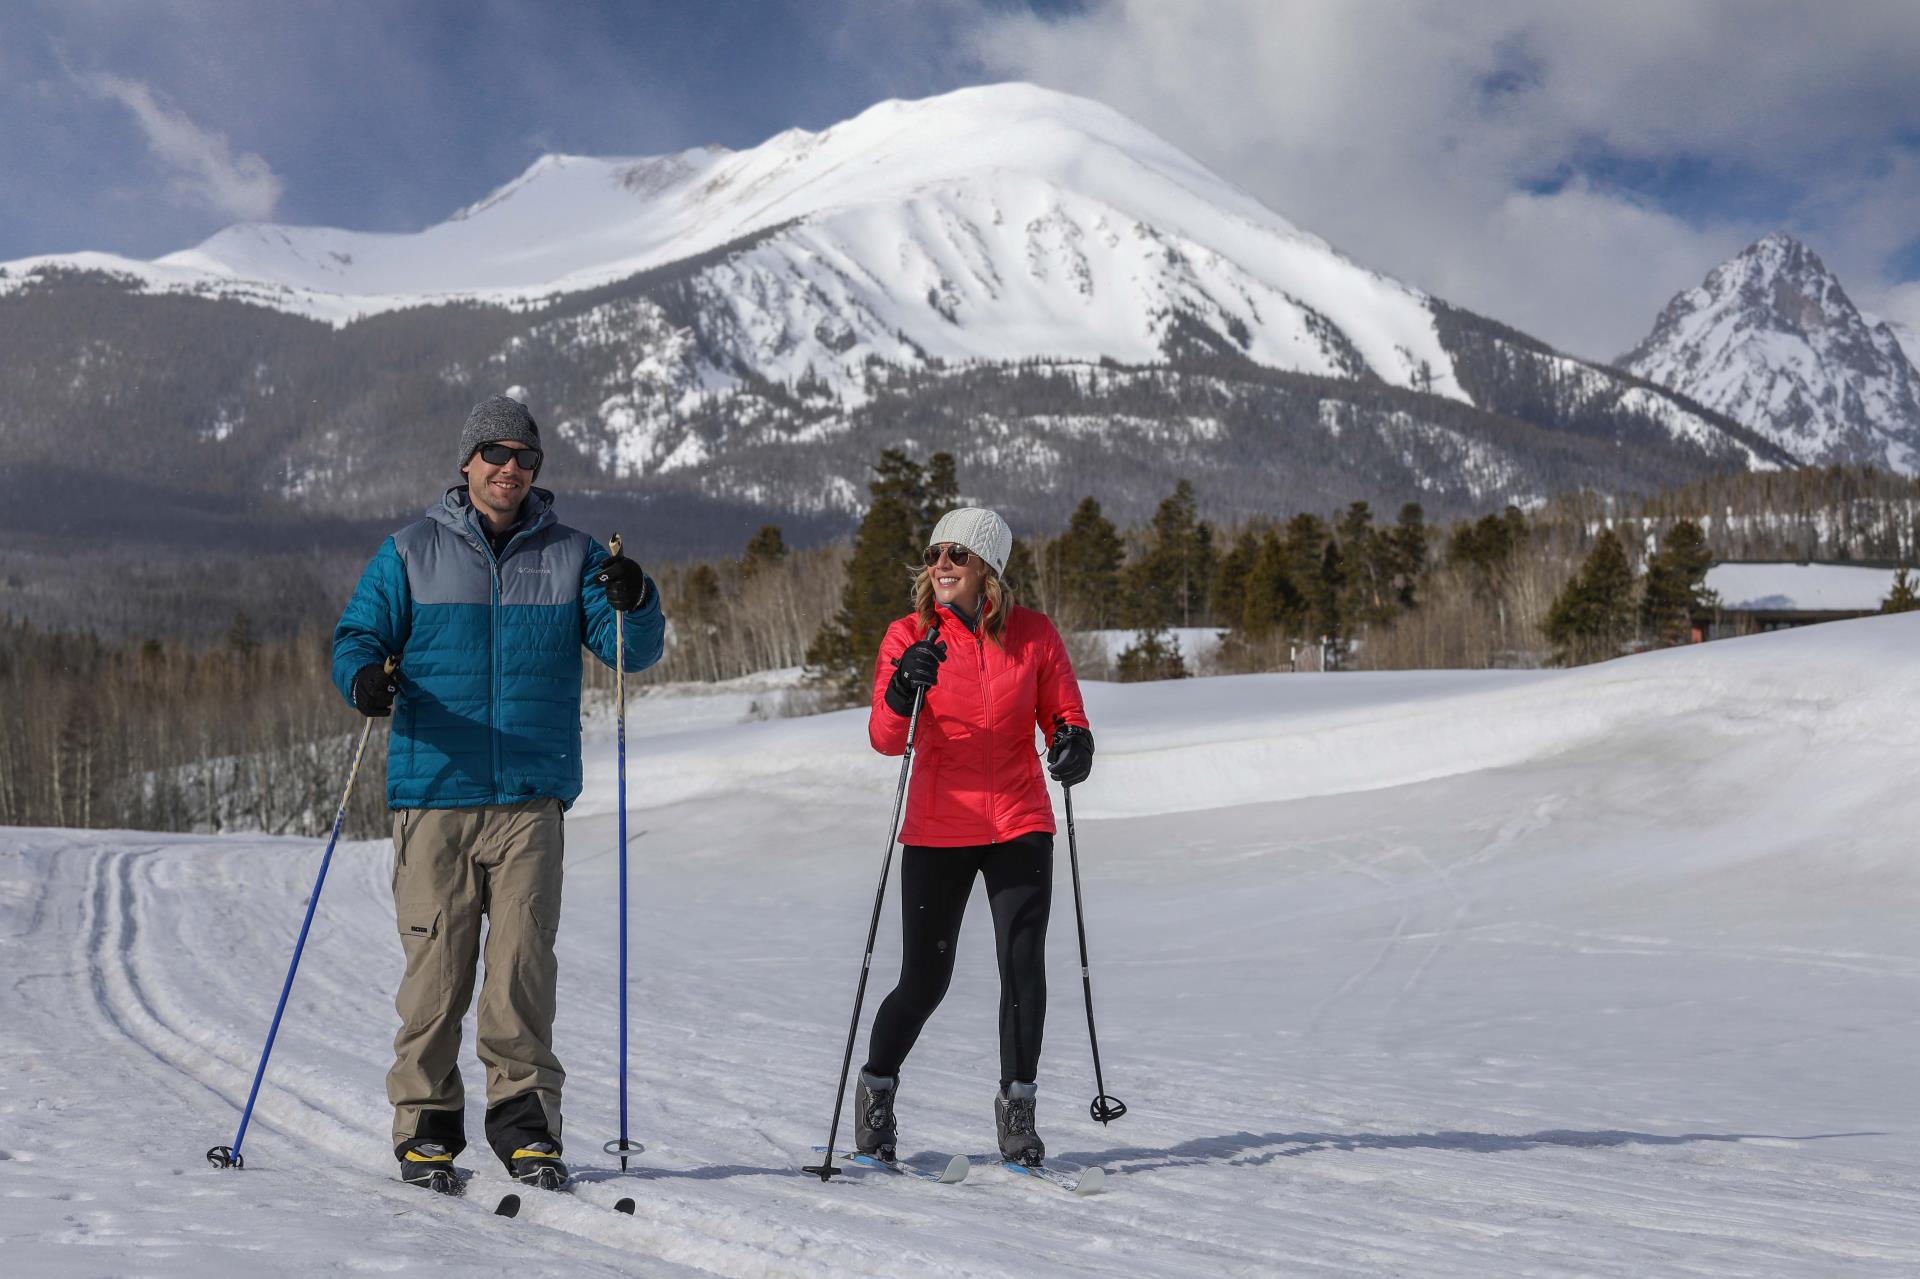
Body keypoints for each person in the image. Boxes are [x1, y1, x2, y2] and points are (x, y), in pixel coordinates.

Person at [331, 394, 664, 1193]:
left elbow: (632, 652)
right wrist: (366, 680)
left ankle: (525, 1126)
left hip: (530, 794)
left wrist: (635, 595)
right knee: (437, 972)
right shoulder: (409, 553)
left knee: (520, 968)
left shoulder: (574, 554)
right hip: (435, 790)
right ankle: (426, 1126)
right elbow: (356, 639)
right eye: (496, 454)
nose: (510, 468)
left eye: (525, 457)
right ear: (466, 462)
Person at [858, 506, 1096, 1167]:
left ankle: (1018, 1109)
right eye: (935, 554)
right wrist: (905, 686)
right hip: (939, 827)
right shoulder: (911, 636)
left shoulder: (1033, 636)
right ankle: (877, 1089)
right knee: (925, 979)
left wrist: (1075, 744)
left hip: (1019, 820)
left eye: (956, 555)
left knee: (1023, 969)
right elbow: (883, 736)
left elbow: (1065, 717)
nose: (940, 566)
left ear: (988, 566)